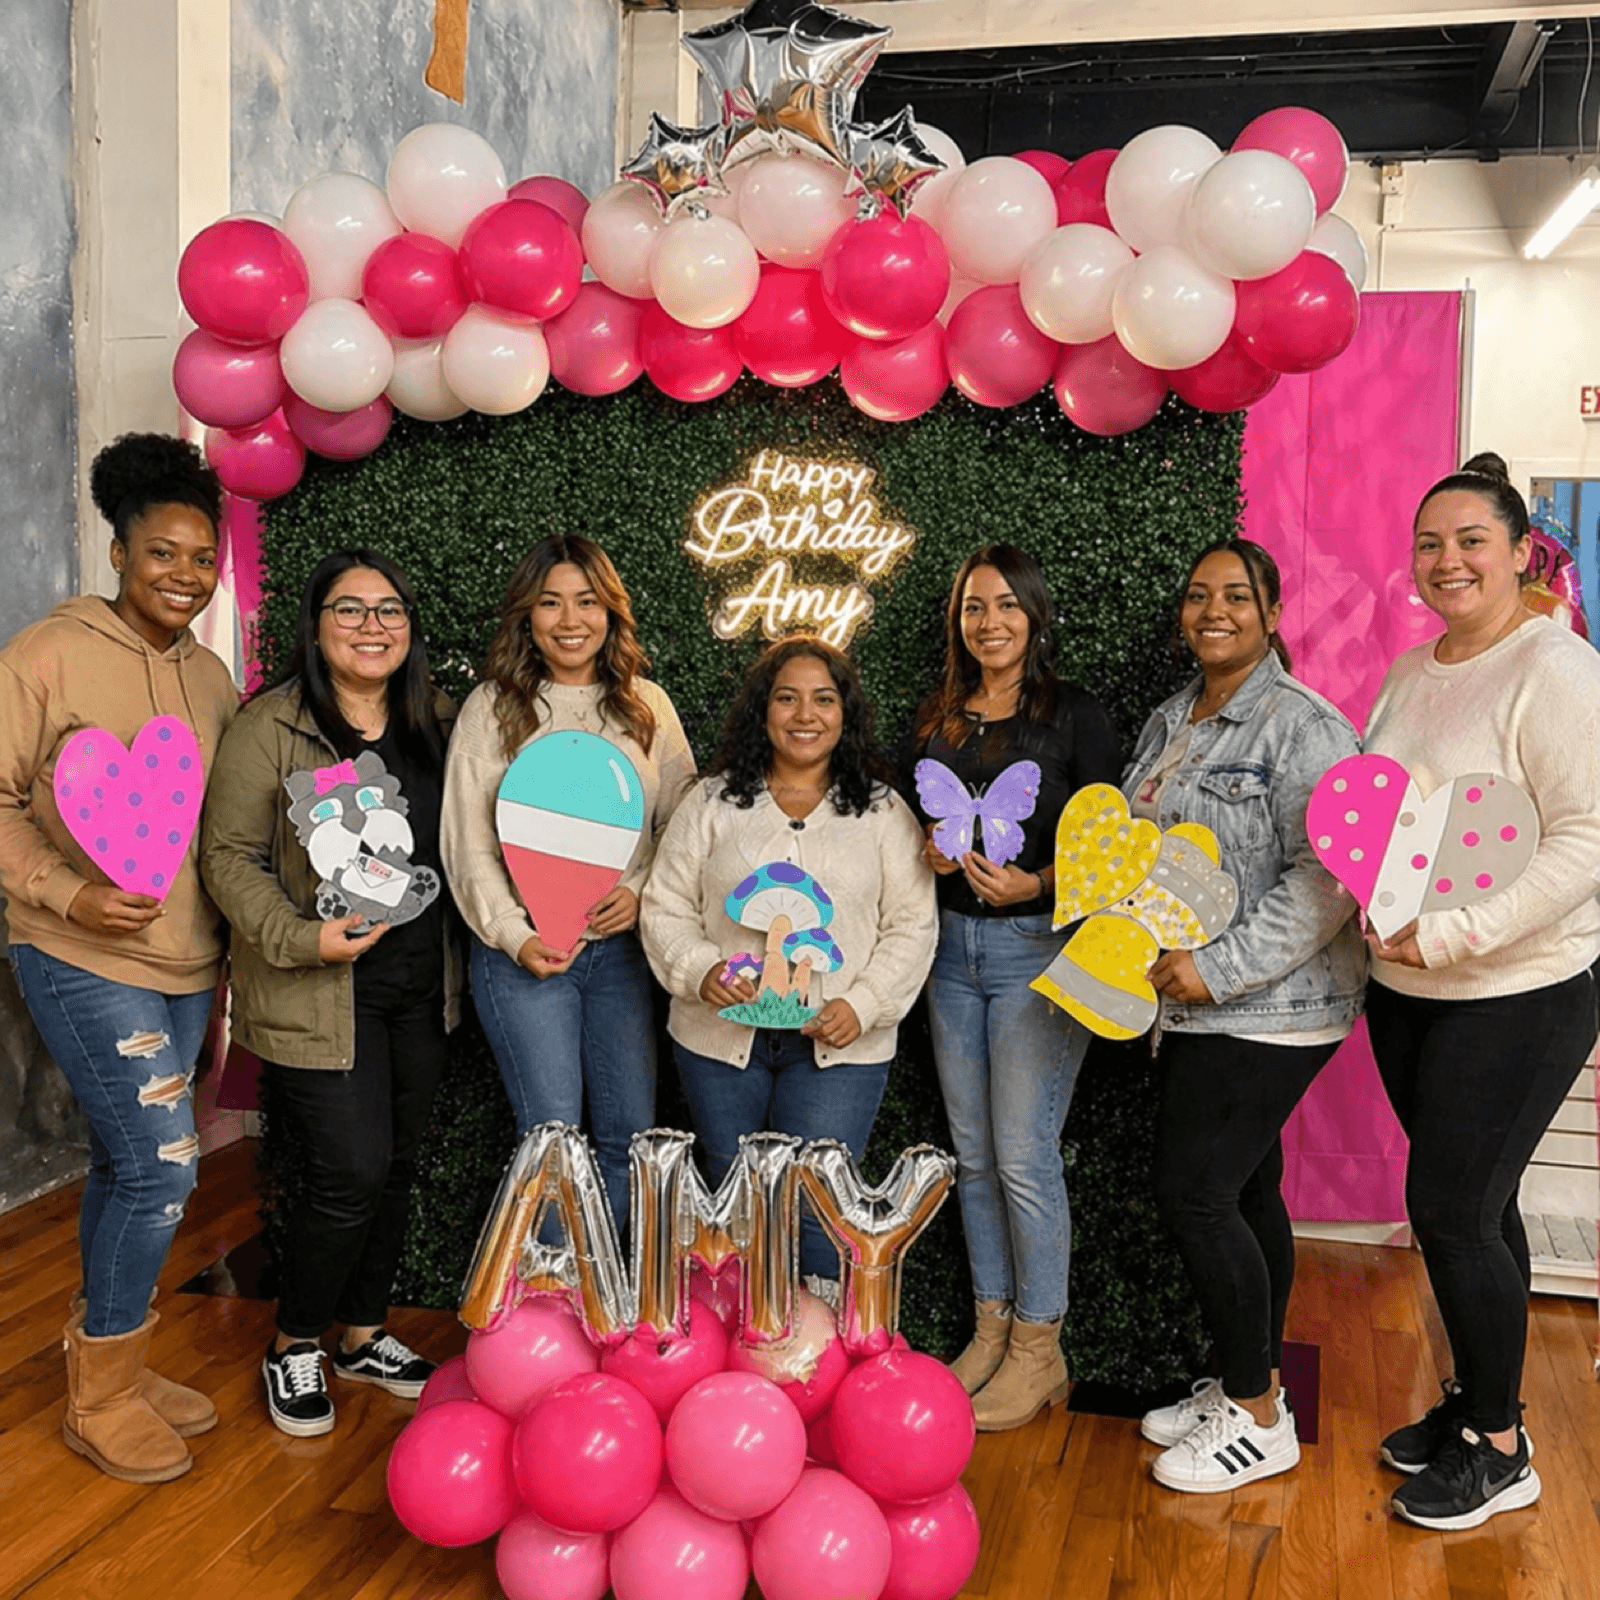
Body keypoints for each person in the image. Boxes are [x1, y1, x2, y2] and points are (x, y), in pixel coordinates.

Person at [1363, 454, 1600, 1530]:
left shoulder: (1555, 667)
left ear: (1518, 553)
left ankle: (1501, 1450)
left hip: (1517, 993)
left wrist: (1456, 934)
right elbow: (1382, 820)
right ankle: (1476, 1399)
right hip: (1404, 991)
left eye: (1470, 541)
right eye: (1429, 544)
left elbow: (1583, 840)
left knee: (1450, 1211)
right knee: (1483, 1206)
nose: (1446, 560)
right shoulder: (1410, 673)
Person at [0, 433, 236, 1482]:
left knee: (123, 1162)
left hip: (189, 966)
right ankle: (98, 1396)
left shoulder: (213, 678)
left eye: (202, 557)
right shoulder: (46, 654)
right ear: (118, 553)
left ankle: (117, 1361)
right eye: (162, 553)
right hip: (77, 953)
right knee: (164, 1164)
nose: (184, 574)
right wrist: (69, 892)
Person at [1121, 539, 1364, 1493]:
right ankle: (1241, 1381)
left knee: (1196, 1196)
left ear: (1270, 612)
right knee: (1247, 1191)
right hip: (1190, 1002)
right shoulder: (1173, 717)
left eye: (1235, 595)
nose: (1212, 611)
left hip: (1271, 1005)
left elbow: (1327, 881)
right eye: (1198, 595)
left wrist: (1216, 970)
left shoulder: (1304, 727)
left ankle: (1259, 1418)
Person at [202, 549, 456, 1437]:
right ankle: (295, 1342)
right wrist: (299, 937)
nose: (371, 626)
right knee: (347, 1172)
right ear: (314, 627)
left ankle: (363, 1334)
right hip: (318, 991)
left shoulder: (438, 722)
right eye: (349, 609)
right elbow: (227, 857)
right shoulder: (270, 726)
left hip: (420, 990)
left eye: (390, 610)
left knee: (395, 1169)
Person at [640, 637, 936, 1290]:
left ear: (845, 713)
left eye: (824, 699)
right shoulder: (712, 803)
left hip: (840, 1050)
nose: (806, 715)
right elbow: (664, 906)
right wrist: (699, 971)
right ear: (762, 711)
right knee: (732, 1205)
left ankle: (814, 1344)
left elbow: (912, 925)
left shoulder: (884, 813)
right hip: (719, 1043)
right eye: (787, 698)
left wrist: (862, 1004)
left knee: (820, 1211)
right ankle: (739, 1343)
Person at [903, 545, 1120, 1431]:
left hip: (1038, 951)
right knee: (974, 1154)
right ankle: (990, 1330)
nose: (988, 623)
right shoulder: (941, 717)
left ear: (1033, 614)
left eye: (1004, 606)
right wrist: (929, 852)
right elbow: (918, 821)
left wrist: (1037, 886)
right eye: (973, 608)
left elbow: (1112, 850)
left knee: (1025, 1154)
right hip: (950, 952)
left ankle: (1040, 1346)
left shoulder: (1074, 715)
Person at [441, 535, 694, 1235]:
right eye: (550, 603)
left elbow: (683, 824)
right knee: (551, 1140)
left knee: (628, 1137)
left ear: (611, 612)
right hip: (524, 956)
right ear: (527, 615)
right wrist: (513, 934)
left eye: (587, 601)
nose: (570, 620)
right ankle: (553, 1291)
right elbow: (466, 841)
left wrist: (639, 889)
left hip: (622, 957)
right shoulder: (493, 708)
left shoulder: (647, 706)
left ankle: (606, 1289)